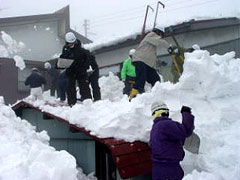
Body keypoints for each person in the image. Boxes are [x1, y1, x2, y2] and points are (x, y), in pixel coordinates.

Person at [150, 101, 194, 180]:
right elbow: (186, 130)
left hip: (158, 169)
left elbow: (170, 140)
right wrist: (186, 113)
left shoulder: (155, 127)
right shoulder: (165, 124)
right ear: (166, 112)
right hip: (169, 170)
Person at [130, 26, 171, 100]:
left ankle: (155, 95)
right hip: (140, 60)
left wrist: (159, 63)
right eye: (161, 35)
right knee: (141, 78)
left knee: (155, 79)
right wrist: (169, 47)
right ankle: (133, 96)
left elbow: (150, 58)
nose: (161, 37)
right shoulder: (151, 35)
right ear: (158, 32)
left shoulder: (152, 45)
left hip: (146, 62)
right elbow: (159, 41)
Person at [60, 32, 92, 106]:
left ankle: (88, 102)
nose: (71, 44)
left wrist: (85, 66)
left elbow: (87, 58)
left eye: (72, 42)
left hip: (81, 71)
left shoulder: (81, 47)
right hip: (71, 71)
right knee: (70, 87)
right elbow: (64, 58)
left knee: (84, 87)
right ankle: (72, 103)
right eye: (69, 43)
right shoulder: (65, 48)